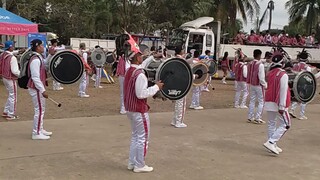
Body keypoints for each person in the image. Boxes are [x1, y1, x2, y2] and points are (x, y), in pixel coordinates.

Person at [124, 51, 164, 173]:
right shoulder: (140, 74)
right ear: (137, 58)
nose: (142, 57)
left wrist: (152, 57)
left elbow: (144, 64)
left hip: (130, 108)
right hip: (138, 110)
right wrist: (156, 87)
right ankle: (140, 164)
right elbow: (141, 94)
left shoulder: (129, 71)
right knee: (143, 138)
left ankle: (132, 162)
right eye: (141, 56)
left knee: (136, 137)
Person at [263, 53, 291, 155]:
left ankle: (272, 144)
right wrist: (282, 106)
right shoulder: (283, 74)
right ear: (282, 63)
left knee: (271, 123)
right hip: (279, 102)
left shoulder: (270, 73)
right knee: (286, 124)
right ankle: (271, 142)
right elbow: (283, 90)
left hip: (269, 100)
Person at [28, 39, 52, 140]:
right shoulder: (35, 59)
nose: (43, 47)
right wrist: (43, 90)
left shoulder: (39, 57)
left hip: (38, 87)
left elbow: (45, 64)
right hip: (36, 88)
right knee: (39, 110)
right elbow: (35, 77)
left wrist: (50, 55)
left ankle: (40, 129)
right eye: (42, 45)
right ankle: (36, 133)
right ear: (37, 47)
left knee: (42, 110)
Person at [0, 41, 20, 120]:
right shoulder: (12, 58)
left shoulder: (3, 55)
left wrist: (19, 51)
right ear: (10, 47)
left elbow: (12, 52)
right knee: (13, 96)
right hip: (11, 78)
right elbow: (15, 71)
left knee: (11, 95)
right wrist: (21, 75)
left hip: (4, 77)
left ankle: (6, 111)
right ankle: (11, 114)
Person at [247, 49, 267, 124]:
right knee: (261, 101)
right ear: (259, 55)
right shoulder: (260, 65)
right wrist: (265, 85)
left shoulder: (250, 63)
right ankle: (258, 117)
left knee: (252, 101)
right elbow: (261, 77)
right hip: (259, 85)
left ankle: (250, 116)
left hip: (252, 84)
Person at [289, 52, 312, 120]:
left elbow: (292, 73)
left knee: (296, 98)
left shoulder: (295, 65)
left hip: (295, 84)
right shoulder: (307, 67)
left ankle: (292, 110)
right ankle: (301, 115)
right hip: (303, 84)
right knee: (304, 99)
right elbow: (309, 77)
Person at [171, 46, 188, 128]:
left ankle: (174, 120)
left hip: (175, 83)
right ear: (181, 51)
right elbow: (185, 72)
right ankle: (179, 121)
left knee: (178, 102)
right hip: (182, 84)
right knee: (181, 102)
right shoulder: (182, 60)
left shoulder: (174, 59)